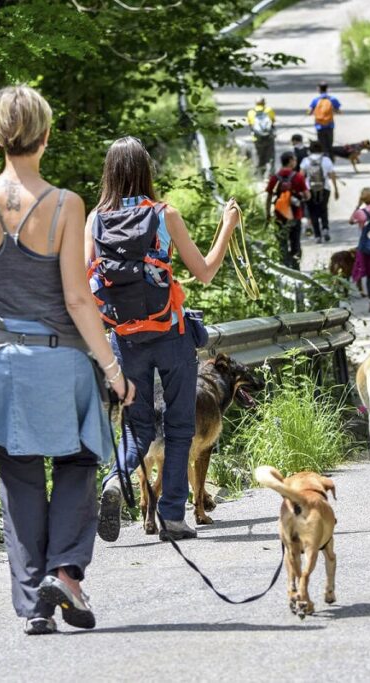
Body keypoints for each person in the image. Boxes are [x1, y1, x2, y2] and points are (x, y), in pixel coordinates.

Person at [0, 86, 134, 635]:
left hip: (1, 365)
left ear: (0, 136)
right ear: (45, 137)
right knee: (78, 463)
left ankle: (34, 606)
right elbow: (78, 299)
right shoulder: (66, 204)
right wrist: (115, 371)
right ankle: (67, 572)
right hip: (63, 364)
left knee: (19, 480)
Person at [94, 136, 240, 543]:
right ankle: (172, 518)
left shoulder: (96, 221)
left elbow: (86, 282)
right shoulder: (164, 214)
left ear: (109, 173)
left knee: (138, 429)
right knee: (178, 427)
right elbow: (205, 271)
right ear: (145, 171)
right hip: (170, 334)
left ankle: (114, 479)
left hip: (124, 337)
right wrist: (227, 226)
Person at [264, 151, 309, 269]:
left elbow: (269, 197)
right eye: (294, 160)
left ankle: (284, 267)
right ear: (290, 161)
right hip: (295, 215)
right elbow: (307, 195)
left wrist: (268, 214)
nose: (295, 162)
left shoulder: (275, 178)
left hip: (279, 216)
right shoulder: (298, 177)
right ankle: (296, 268)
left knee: (282, 243)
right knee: (295, 243)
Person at [299, 141, 339, 244]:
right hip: (325, 188)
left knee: (313, 212)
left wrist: (301, 190)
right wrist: (336, 189)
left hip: (309, 189)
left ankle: (317, 235)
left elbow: (300, 176)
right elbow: (332, 175)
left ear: (310, 149)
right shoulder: (326, 160)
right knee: (323, 209)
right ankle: (325, 228)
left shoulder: (305, 161)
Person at [307, 81, 341, 159]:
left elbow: (309, 112)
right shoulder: (333, 99)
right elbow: (339, 111)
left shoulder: (315, 100)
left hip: (319, 126)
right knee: (330, 145)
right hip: (330, 125)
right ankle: (330, 162)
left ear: (318, 89)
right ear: (327, 89)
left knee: (322, 146)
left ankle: (323, 161)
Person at [247, 97, 276, 178]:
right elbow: (273, 121)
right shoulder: (269, 110)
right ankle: (270, 175)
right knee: (270, 156)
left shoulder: (251, 112)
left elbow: (250, 124)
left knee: (258, 155)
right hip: (269, 137)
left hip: (257, 139)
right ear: (264, 103)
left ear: (255, 103)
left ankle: (258, 175)